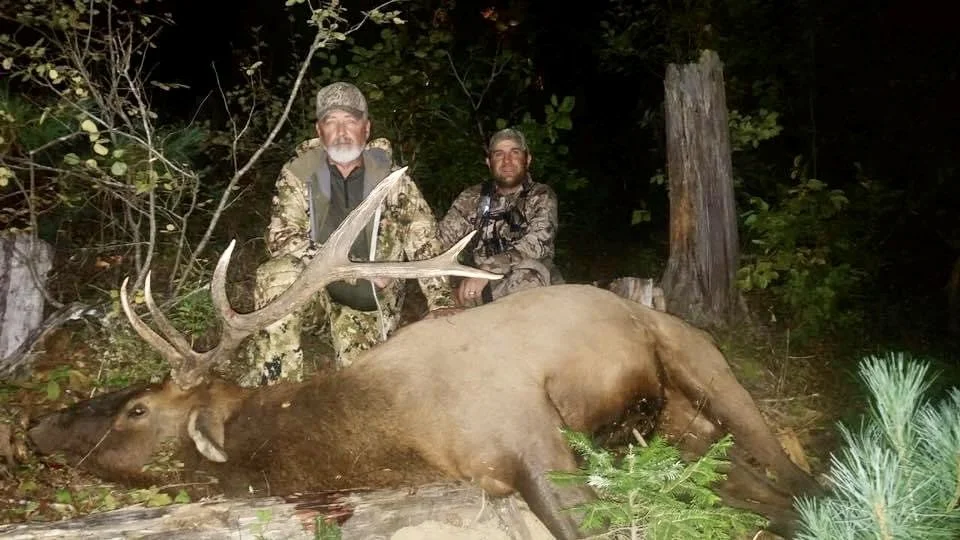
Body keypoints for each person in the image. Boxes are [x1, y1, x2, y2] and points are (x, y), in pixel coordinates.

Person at [245, 81, 458, 386]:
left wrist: (440, 302)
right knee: (276, 274)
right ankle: (277, 390)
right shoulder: (299, 172)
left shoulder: (393, 179)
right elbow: (281, 237)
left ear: (366, 128)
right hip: (313, 291)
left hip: (368, 299)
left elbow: (423, 237)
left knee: (360, 386)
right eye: (331, 122)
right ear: (320, 131)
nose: (341, 131)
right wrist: (350, 268)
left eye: (351, 121)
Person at [437, 128, 562, 307]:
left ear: (527, 159)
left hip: (530, 282)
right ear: (489, 162)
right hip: (480, 286)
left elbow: (537, 243)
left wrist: (487, 270)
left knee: (524, 279)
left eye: (515, 152)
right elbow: (440, 241)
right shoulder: (472, 198)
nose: (507, 161)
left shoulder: (541, 195)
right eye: (499, 154)